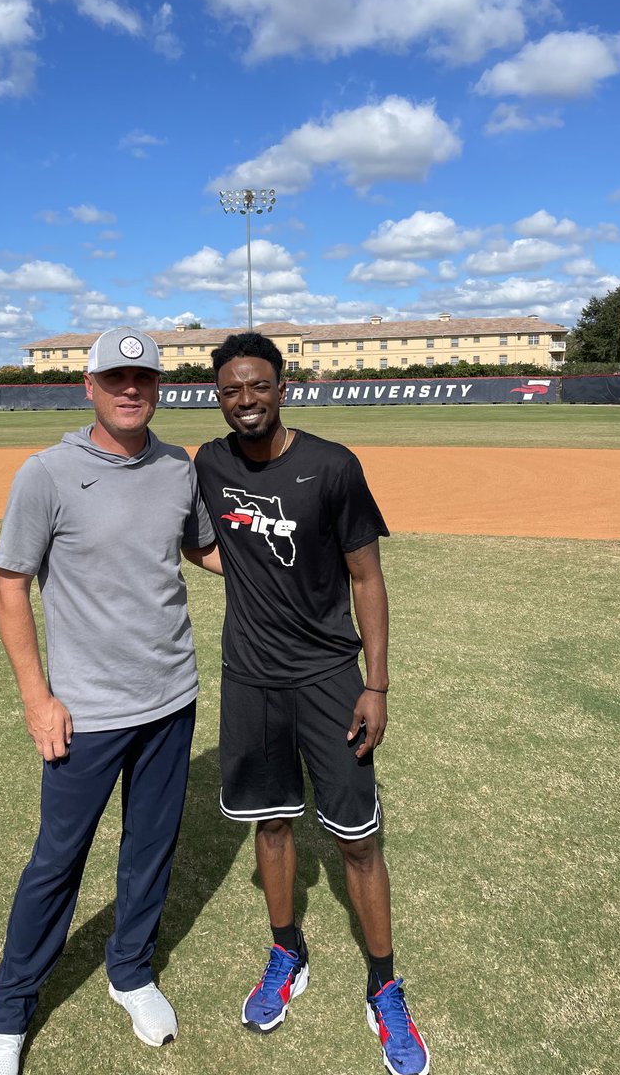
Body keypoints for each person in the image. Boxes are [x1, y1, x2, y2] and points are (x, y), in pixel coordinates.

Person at [0, 327, 217, 1075]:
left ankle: (132, 971)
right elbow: (11, 583)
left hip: (171, 699)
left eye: (143, 377)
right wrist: (37, 699)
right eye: (116, 378)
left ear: (158, 387)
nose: (131, 389)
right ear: (89, 387)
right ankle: (8, 1017)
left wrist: (290, 560)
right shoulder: (45, 474)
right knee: (58, 862)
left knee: (151, 850)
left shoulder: (179, 467)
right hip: (86, 714)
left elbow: (203, 551)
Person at [194, 332, 429, 1075]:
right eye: (231, 391)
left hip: (331, 679)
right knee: (271, 824)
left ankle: (385, 986)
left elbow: (368, 578)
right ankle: (284, 953)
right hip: (251, 679)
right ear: (219, 397)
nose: (245, 401)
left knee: (357, 836)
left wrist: (378, 682)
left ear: (283, 386)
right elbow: (205, 543)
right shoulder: (210, 463)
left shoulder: (332, 465)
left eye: (258, 386)